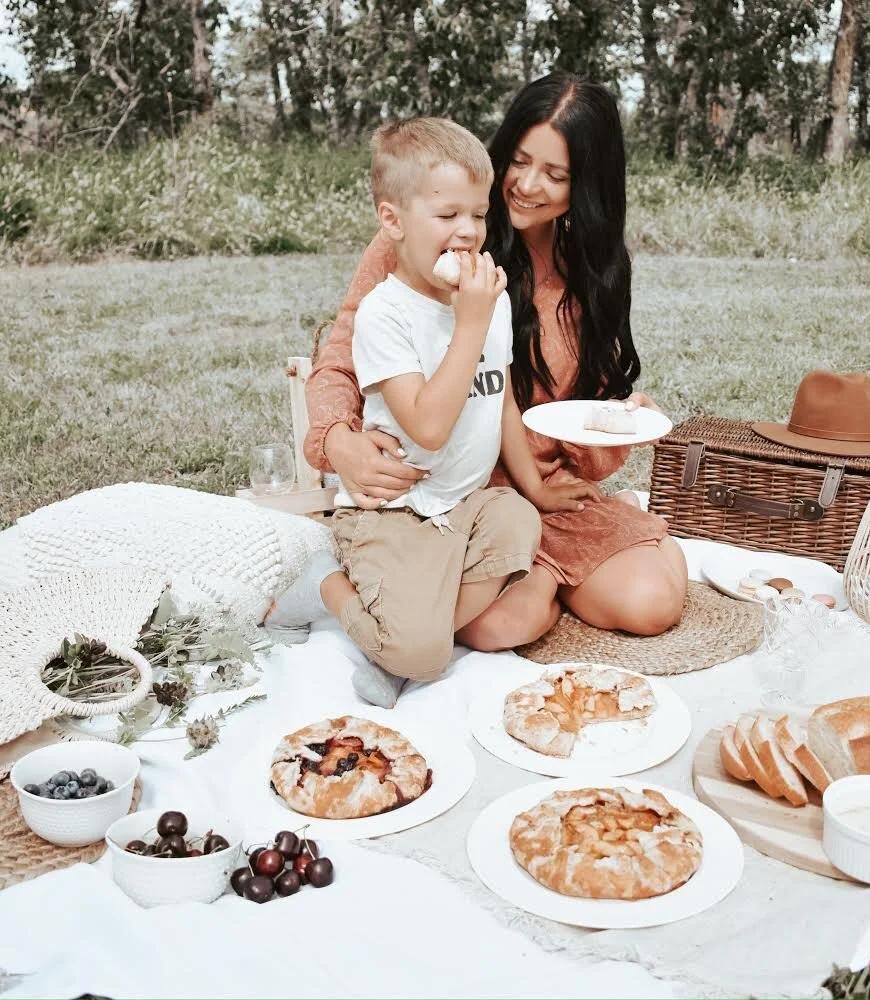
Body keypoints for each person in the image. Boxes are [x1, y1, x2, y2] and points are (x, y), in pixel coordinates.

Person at [300, 71, 688, 658]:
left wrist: (618, 422)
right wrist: (336, 440)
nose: (528, 186)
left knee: (651, 606)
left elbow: (570, 411)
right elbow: (340, 360)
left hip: (537, 492)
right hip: (453, 490)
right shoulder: (429, 234)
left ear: (586, 185)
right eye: (520, 161)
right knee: (494, 629)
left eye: (556, 175)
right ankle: (541, 586)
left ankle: (587, 560)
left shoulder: (592, 270)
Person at [270, 117, 599, 708]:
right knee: (425, 658)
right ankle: (328, 586)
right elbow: (427, 425)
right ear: (393, 221)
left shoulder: (485, 297)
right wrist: (471, 325)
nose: (469, 232)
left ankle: (404, 634)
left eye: (478, 214)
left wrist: (535, 489)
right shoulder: (387, 314)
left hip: (467, 503)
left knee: (520, 524)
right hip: (394, 510)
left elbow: (501, 401)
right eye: (448, 216)